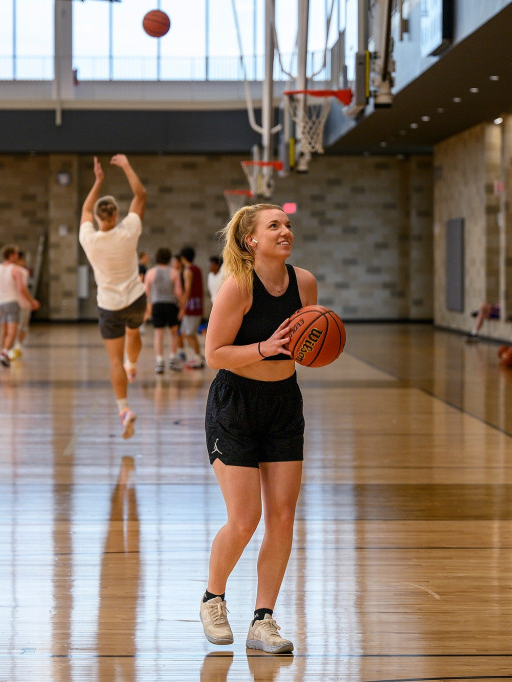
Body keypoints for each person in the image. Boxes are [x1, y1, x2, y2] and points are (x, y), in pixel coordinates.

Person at [199, 203, 317, 655]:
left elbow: (307, 342)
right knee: (245, 518)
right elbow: (215, 354)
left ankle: (263, 621)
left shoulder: (304, 283)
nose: (285, 230)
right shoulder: (237, 288)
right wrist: (265, 348)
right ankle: (213, 598)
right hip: (236, 405)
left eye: (287, 224)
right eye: (275, 226)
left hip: (284, 404)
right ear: (252, 240)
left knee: (283, 516)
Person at [78, 154, 147, 439]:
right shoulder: (129, 231)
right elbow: (140, 194)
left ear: (96, 218)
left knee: (113, 362)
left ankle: (124, 409)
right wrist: (127, 165)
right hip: (136, 300)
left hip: (109, 306)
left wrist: (98, 181)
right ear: (117, 216)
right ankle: (133, 365)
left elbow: (84, 210)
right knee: (134, 333)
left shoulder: (88, 239)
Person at [0, 244, 39, 367]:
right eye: (16, 254)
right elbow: (21, 288)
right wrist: (31, 301)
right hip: (11, 301)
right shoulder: (15, 270)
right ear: (11, 255)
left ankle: (3, 353)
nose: (18, 256)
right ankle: (4, 352)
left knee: (4, 331)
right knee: (12, 332)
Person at [143, 247, 184, 374]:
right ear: (168, 258)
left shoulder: (150, 272)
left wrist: (147, 309)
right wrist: (182, 308)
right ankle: (172, 359)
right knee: (173, 333)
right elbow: (178, 292)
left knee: (158, 335)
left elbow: (146, 292)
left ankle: (159, 362)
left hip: (157, 305)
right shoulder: (174, 272)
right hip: (170, 305)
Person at [178, 246, 205, 369]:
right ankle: (196, 356)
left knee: (189, 334)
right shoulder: (197, 269)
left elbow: (187, 289)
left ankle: (198, 358)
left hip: (191, 306)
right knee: (185, 332)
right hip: (197, 304)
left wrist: (182, 307)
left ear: (183, 258)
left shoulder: (187, 270)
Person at [11, 250, 34, 360]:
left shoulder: (6, 270)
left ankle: (8, 348)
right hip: (22, 303)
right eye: (22, 260)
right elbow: (22, 288)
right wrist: (31, 301)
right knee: (22, 327)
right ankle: (17, 346)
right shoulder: (22, 272)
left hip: (10, 302)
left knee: (11, 327)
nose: (24, 263)